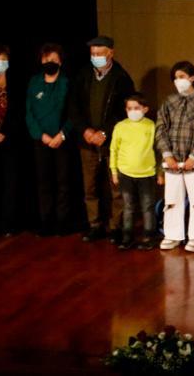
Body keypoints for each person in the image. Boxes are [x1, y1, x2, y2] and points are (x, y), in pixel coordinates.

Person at [68, 36, 135, 243]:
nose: (95, 57)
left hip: (112, 142)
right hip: (86, 140)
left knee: (115, 187)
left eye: (99, 53)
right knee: (90, 186)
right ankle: (95, 225)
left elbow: (124, 111)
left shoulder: (121, 78)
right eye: (92, 54)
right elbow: (74, 106)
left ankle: (116, 227)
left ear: (110, 53)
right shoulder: (83, 75)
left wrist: (104, 132)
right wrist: (85, 130)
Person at [156, 61, 194, 252]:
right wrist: (167, 155)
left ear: (192, 78)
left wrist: (193, 157)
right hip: (172, 161)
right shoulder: (169, 101)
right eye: (175, 78)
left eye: (182, 77)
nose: (178, 81)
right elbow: (161, 129)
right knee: (172, 200)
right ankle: (172, 235)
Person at [27, 43, 75, 236]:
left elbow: (74, 113)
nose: (50, 63)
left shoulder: (67, 83)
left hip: (62, 140)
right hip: (42, 141)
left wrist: (62, 134)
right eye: (47, 60)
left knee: (64, 181)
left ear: (61, 62)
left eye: (54, 60)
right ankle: (46, 221)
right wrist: (42, 136)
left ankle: (63, 222)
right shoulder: (34, 82)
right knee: (43, 182)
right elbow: (29, 113)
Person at [0, 44, 28, 236]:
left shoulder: (16, 82)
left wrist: (4, 132)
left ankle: (8, 224)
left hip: (10, 139)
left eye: (3, 59)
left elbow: (19, 111)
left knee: (10, 183)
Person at [110, 93, 160, 250]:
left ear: (145, 109)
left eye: (137, 108)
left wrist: (160, 172)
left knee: (147, 206)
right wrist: (114, 171)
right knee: (128, 206)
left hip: (147, 173)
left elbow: (159, 151)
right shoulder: (120, 127)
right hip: (125, 173)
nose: (133, 111)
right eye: (129, 108)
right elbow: (114, 150)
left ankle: (148, 236)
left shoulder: (151, 126)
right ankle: (127, 237)